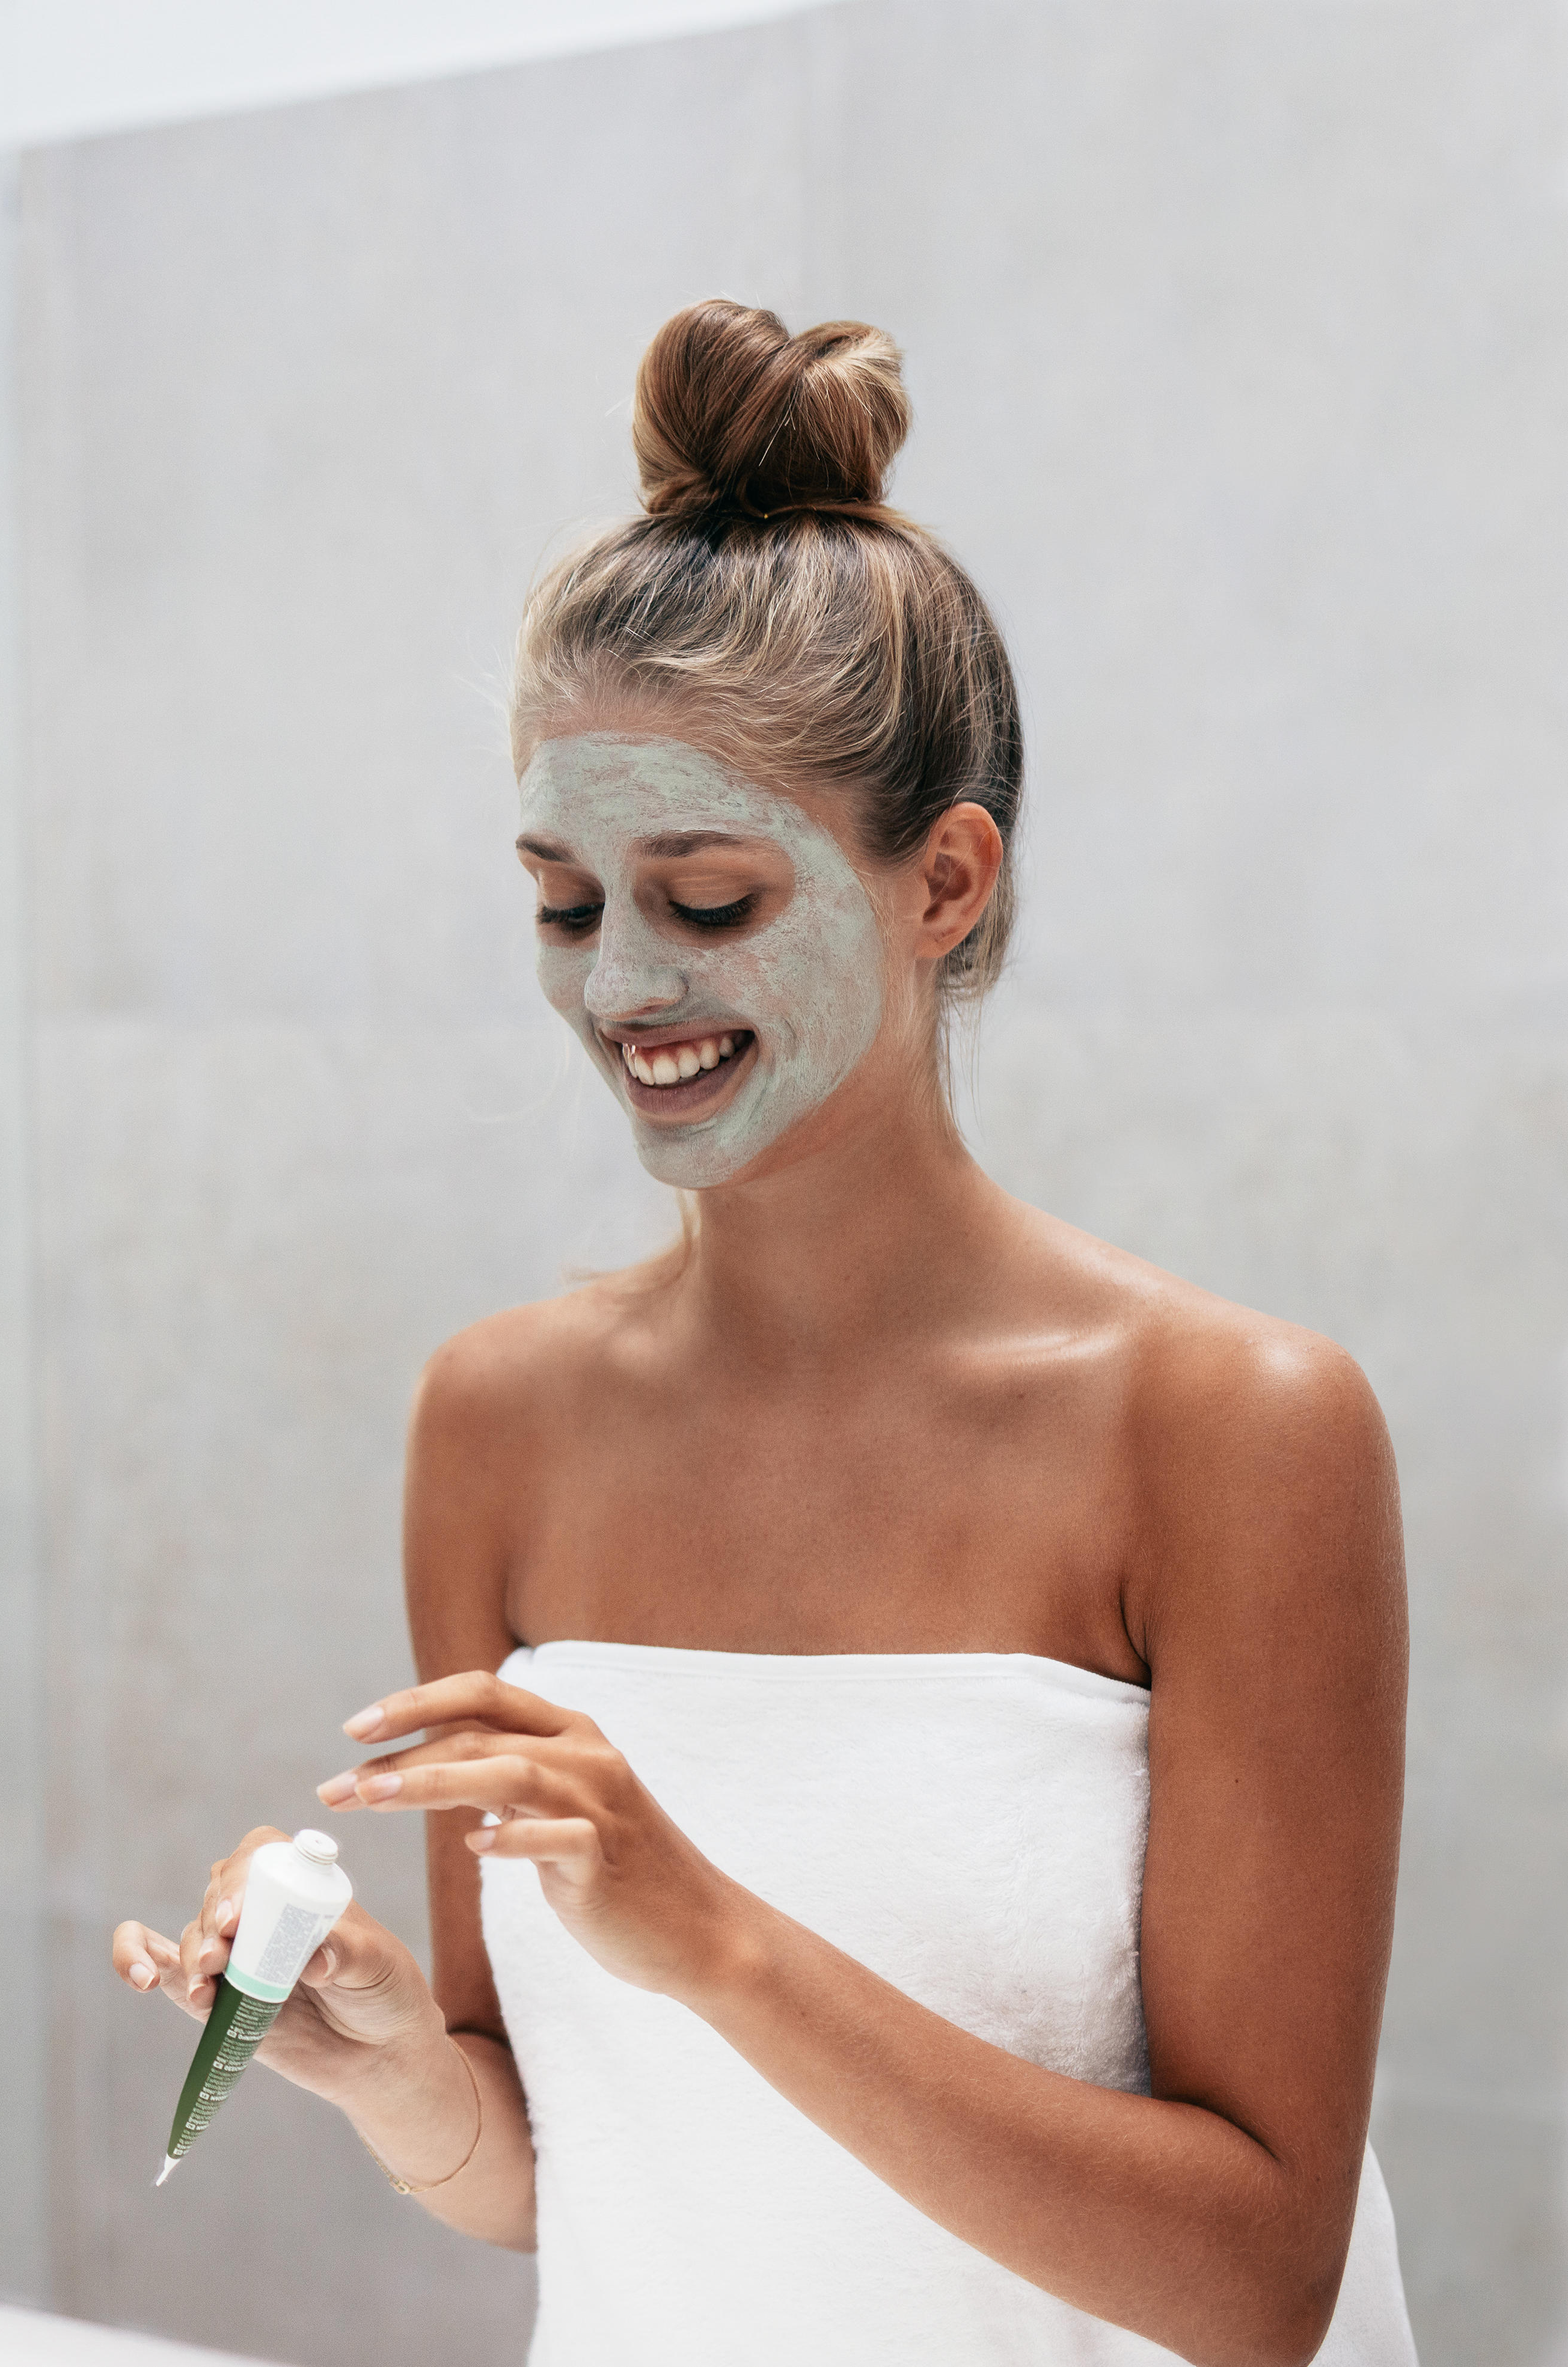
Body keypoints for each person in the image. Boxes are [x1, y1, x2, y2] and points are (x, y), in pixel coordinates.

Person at [114, 300, 1416, 2365]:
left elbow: (1253, 2282)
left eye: (706, 900)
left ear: (944, 882)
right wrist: (395, 2079)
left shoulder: (1232, 1430)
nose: (620, 982)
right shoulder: (498, 1419)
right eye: (561, 901)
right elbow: (556, 2173)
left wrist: (711, 1935)